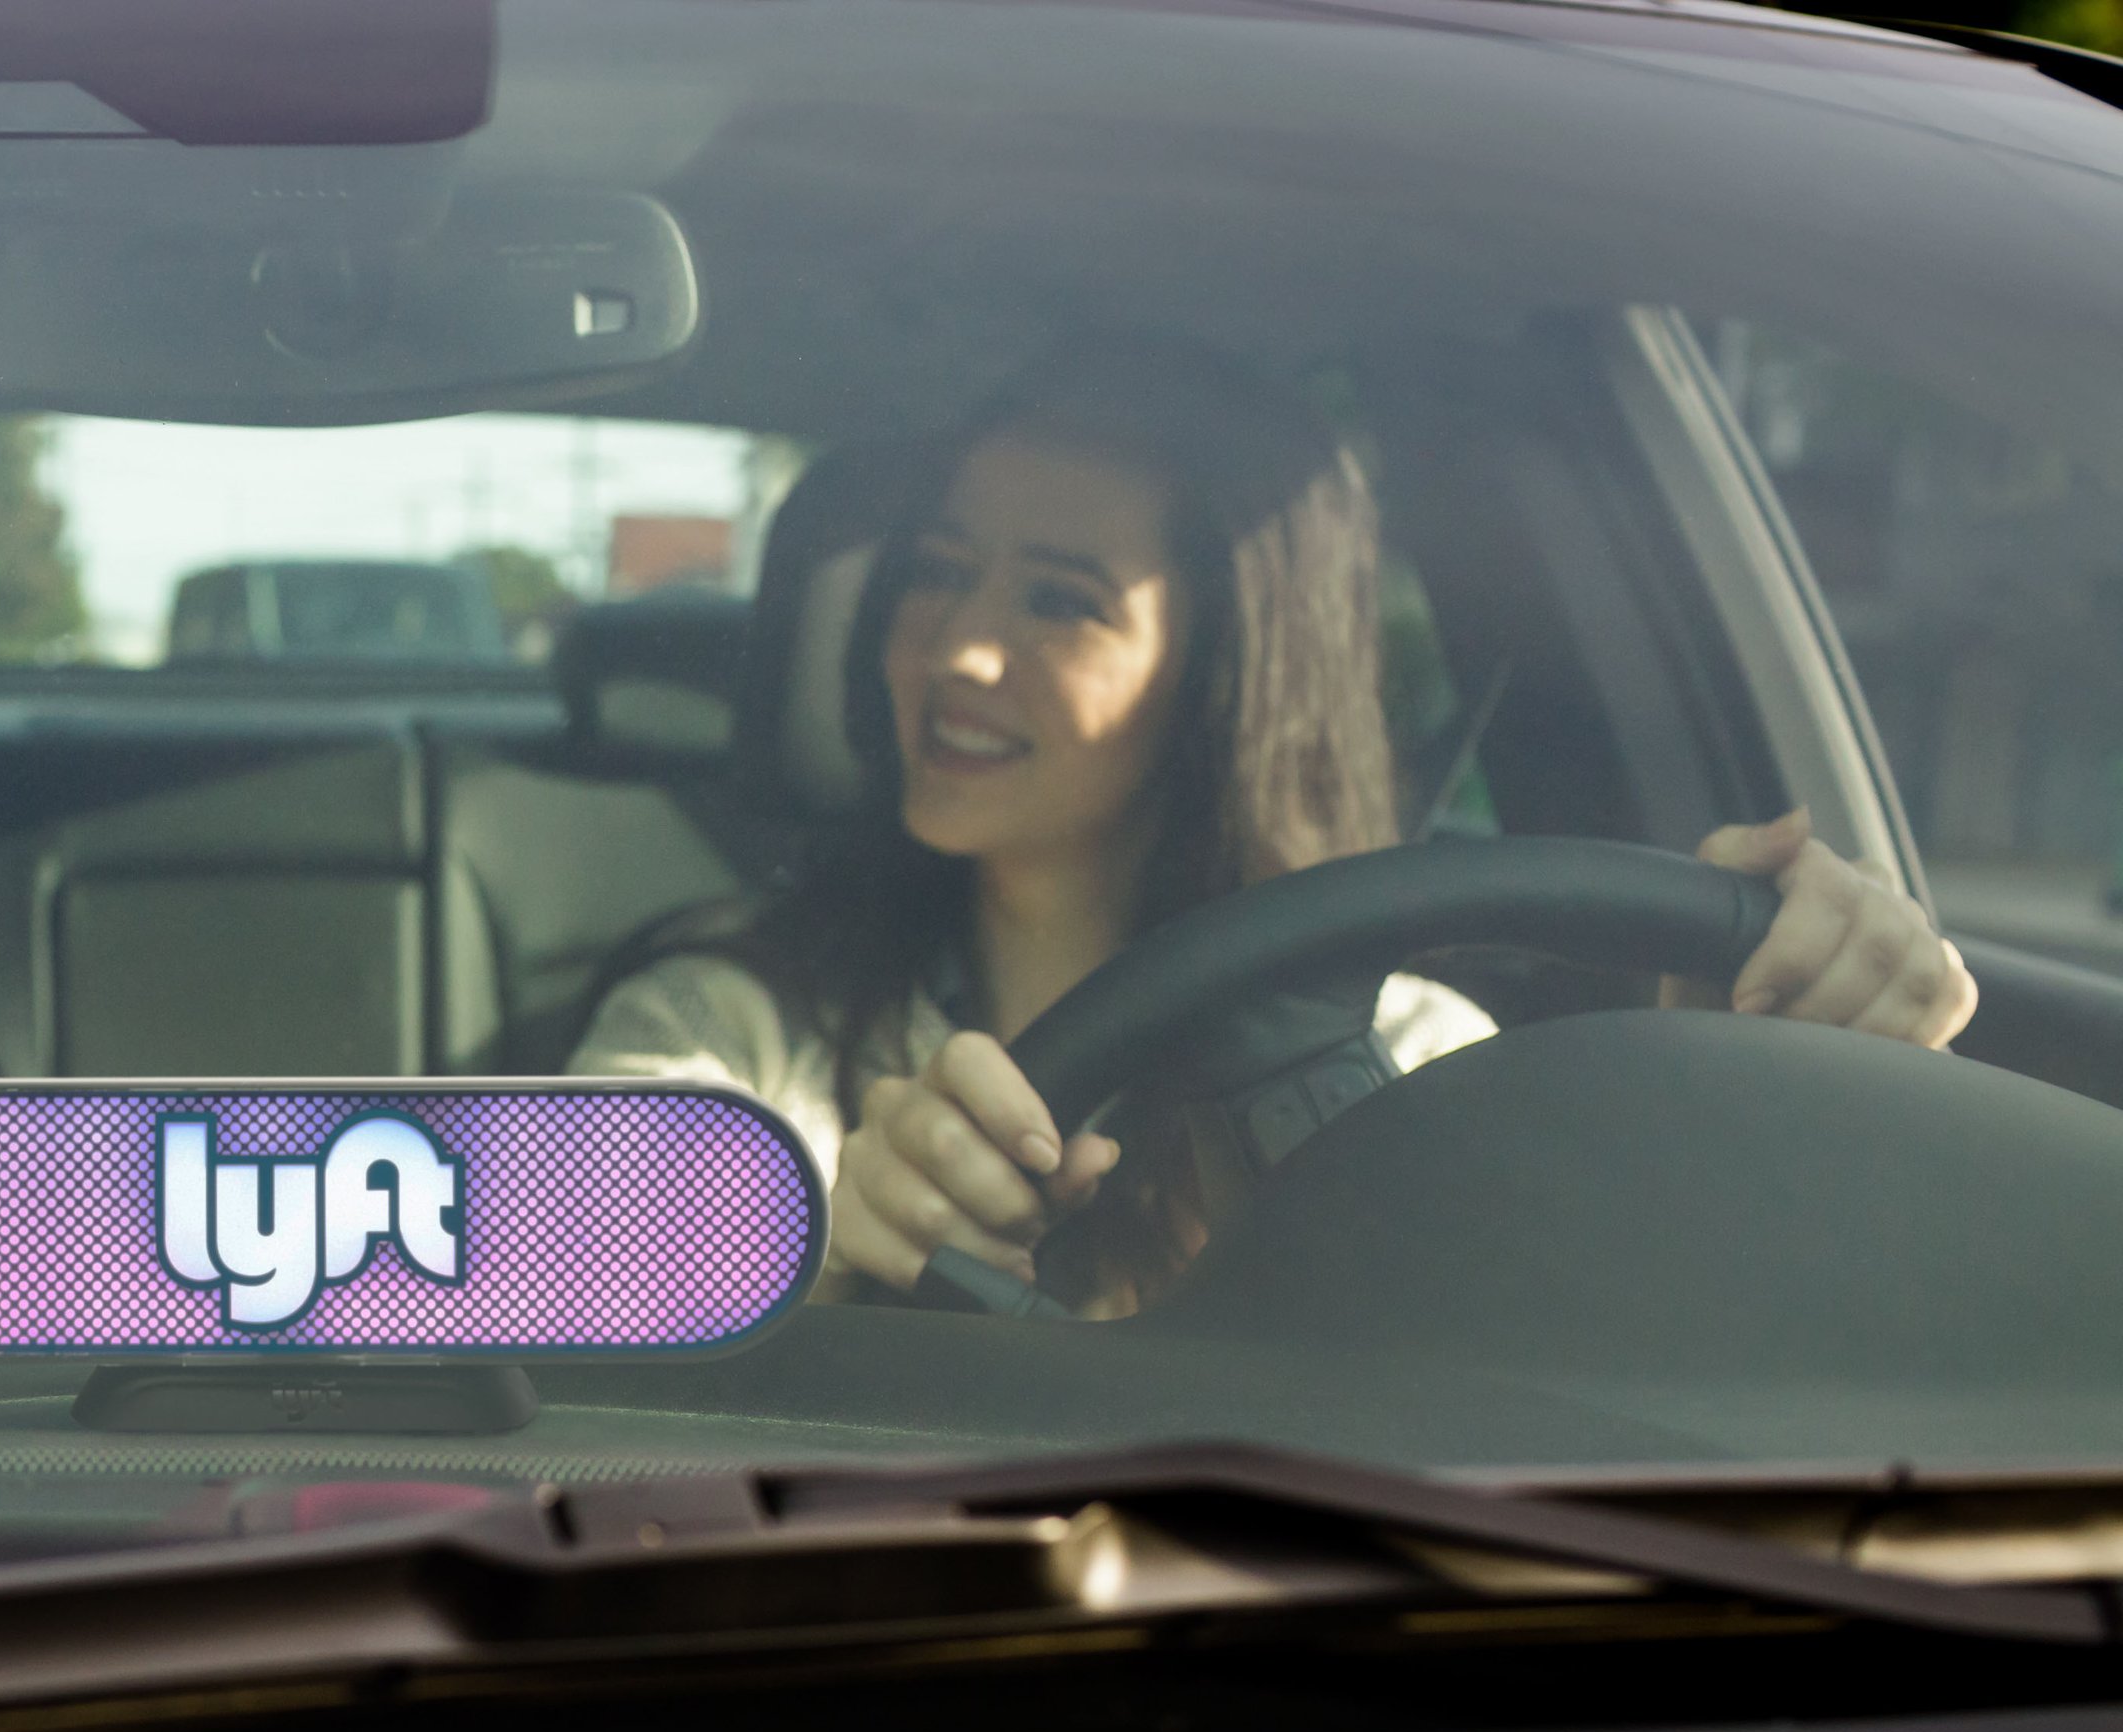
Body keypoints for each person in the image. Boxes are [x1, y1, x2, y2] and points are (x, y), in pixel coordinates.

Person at [573, 338, 1975, 1315]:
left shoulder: (1400, 1056)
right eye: (939, 573)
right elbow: (541, 1280)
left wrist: (1745, 1096)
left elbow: (1587, 1383)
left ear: (1221, 685)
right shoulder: (736, 1018)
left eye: (1060, 599)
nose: (958, 652)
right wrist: (824, 1264)